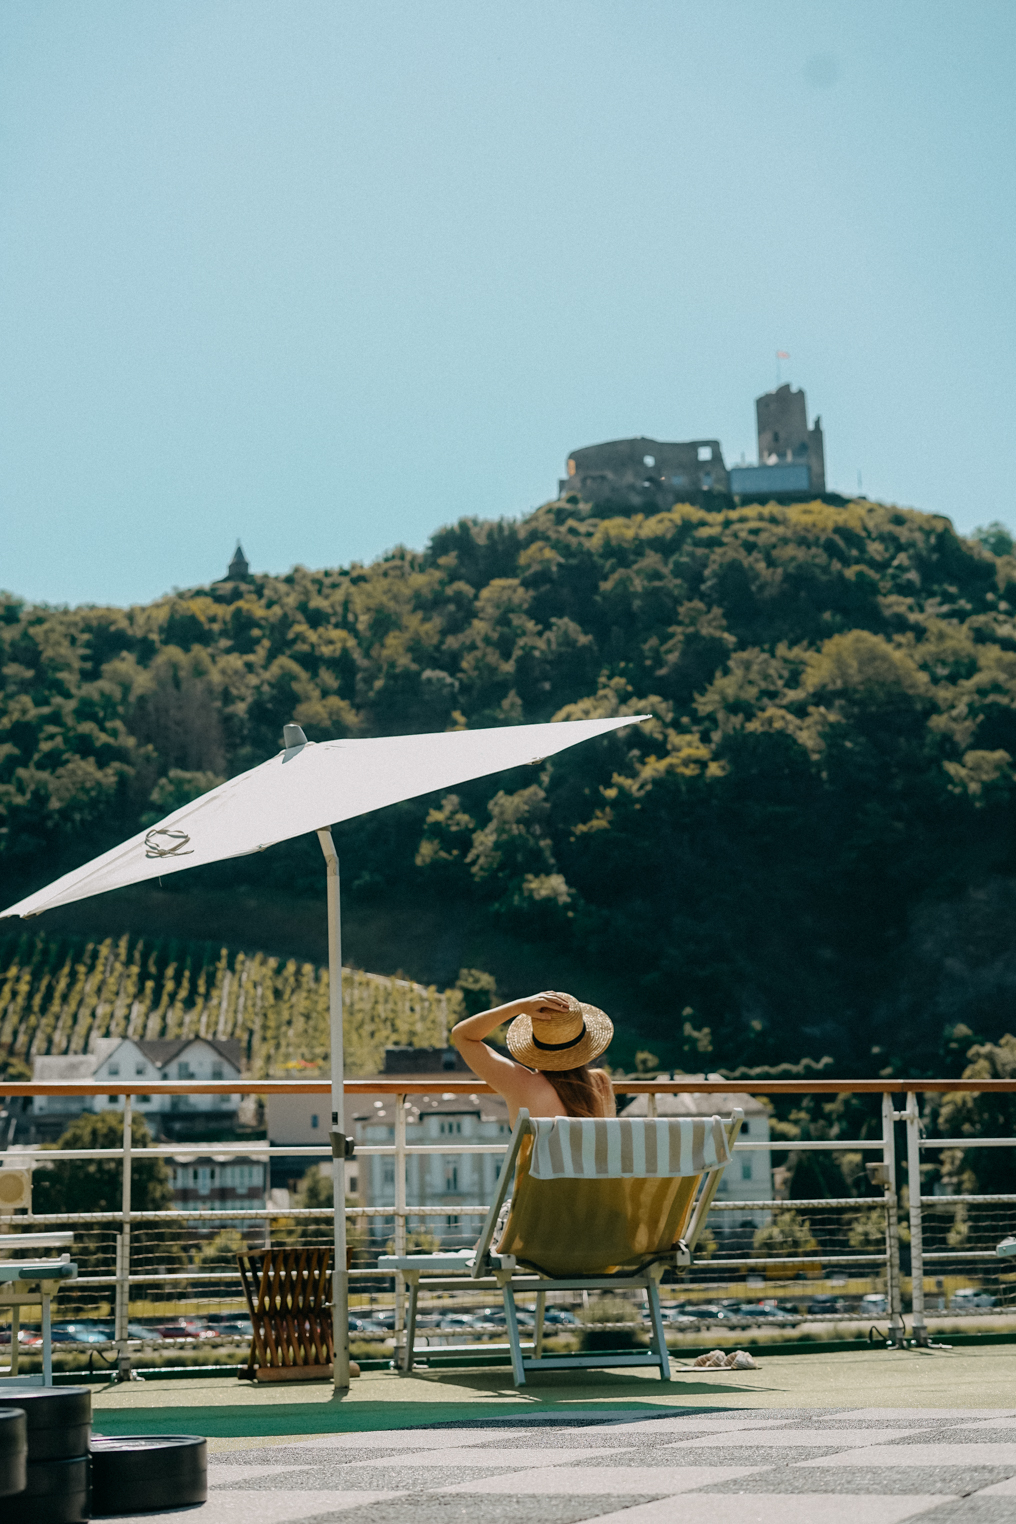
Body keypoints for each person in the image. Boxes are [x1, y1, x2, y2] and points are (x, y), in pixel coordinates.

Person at [450, 989, 616, 1123]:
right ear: (583, 1045)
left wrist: (519, 1006)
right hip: (584, 1166)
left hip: (538, 1166)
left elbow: (462, 1035)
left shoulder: (520, 1084)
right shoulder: (600, 1083)